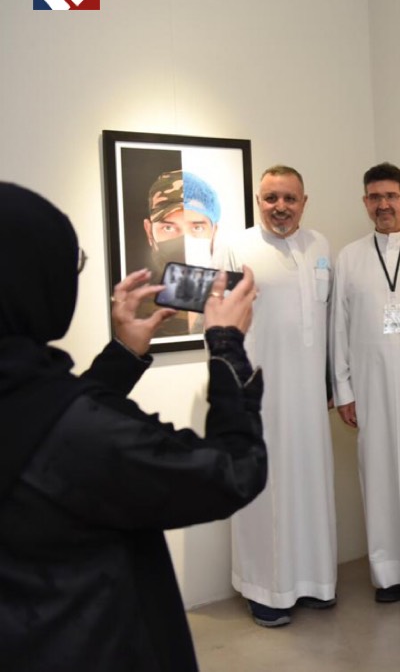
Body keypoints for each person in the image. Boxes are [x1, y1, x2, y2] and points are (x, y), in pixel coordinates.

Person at [0, 181, 265, 671]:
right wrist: (227, 345)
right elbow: (233, 471)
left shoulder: (28, 400)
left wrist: (123, 354)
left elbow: (47, 421)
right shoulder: (68, 428)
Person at [223, 165, 338, 627]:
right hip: (259, 391)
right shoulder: (237, 247)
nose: (281, 207)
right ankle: (264, 589)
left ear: (304, 202)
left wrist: (331, 381)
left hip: (310, 395)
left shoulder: (321, 246)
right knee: (264, 484)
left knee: (310, 481)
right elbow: (220, 318)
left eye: (290, 198)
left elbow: (327, 323)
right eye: (271, 198)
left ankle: (312, 580)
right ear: (258, 201)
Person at [330, 162, 400, 603]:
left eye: (391, 196)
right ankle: (389, 574)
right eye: (375, 197)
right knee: (378, 480)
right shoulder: (349, 257)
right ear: (365, 202)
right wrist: (343, 391)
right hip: (370, 389)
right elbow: (337, 329)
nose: (383, 205)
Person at [138, 169, 222, 336]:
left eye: (197, 228)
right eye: (168, 228)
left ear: (214, 233)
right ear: (149, 232)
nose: (183, 242)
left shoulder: (233, 302)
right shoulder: (136, 310)